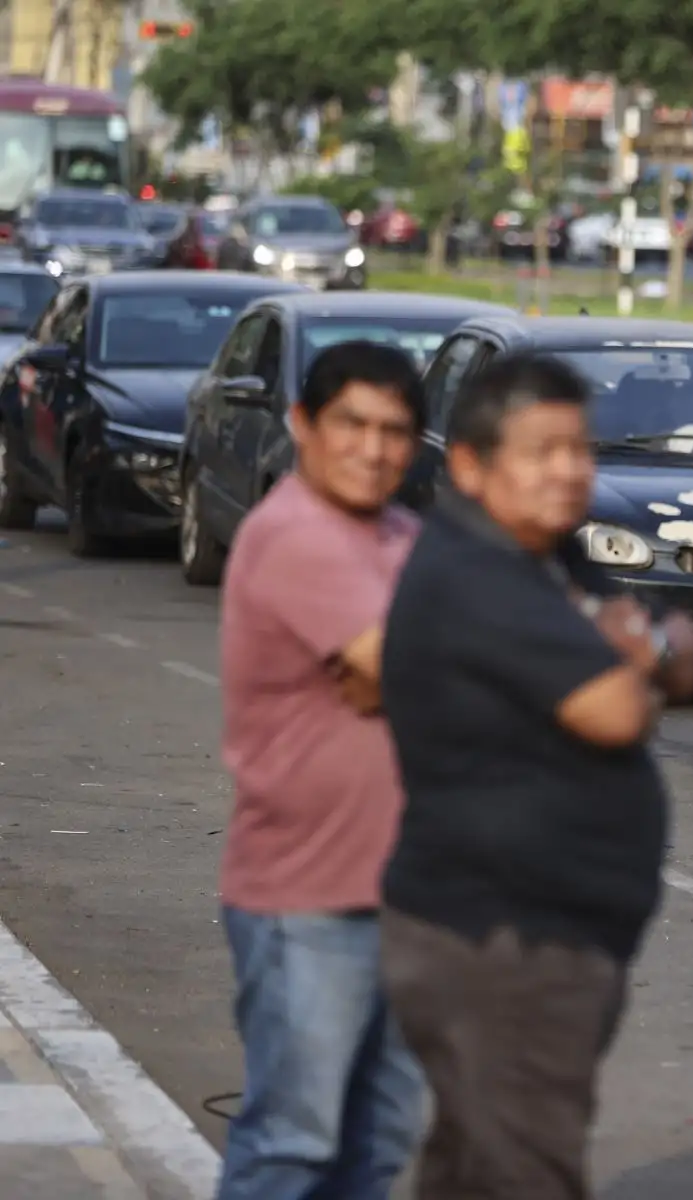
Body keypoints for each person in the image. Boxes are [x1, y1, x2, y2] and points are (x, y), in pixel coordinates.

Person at [376, 353, 693, 1199]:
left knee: (472, 1171)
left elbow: (685, 652)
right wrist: (634, 648)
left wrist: (648, 646)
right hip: (502, 942)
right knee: (528, 1172)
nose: (571, 471)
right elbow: (616, 709)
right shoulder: (475, 573)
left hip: (531, 933)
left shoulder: (547, 557)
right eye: (543, 450)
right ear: (473, 465)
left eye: (580, 449)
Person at [214, 341, 428, 1200]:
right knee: (292, 1145)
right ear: (304, 425)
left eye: (394, 431)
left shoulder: (407, 536)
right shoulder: (293, 533)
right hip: (306, 901)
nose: (372, 449)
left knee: (373, 1148)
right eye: (352, 425)